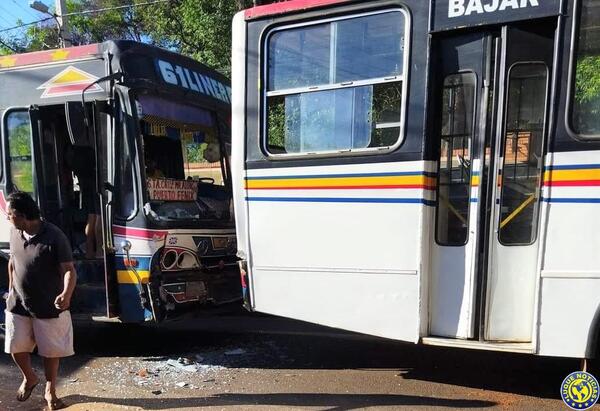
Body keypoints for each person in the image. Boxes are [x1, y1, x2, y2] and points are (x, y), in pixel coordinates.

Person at [4, 192, 77, 410]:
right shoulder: (14, 232)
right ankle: (30, 378)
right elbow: (12, 263)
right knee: (15, 347)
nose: (7, 217)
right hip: (18, 304)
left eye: (9, 214)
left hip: (48, 305)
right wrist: (10, 291)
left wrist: (66, 294)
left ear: (21, 215)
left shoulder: (55, 236)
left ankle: (50, 390)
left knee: (50, 351)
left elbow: (69, 270)